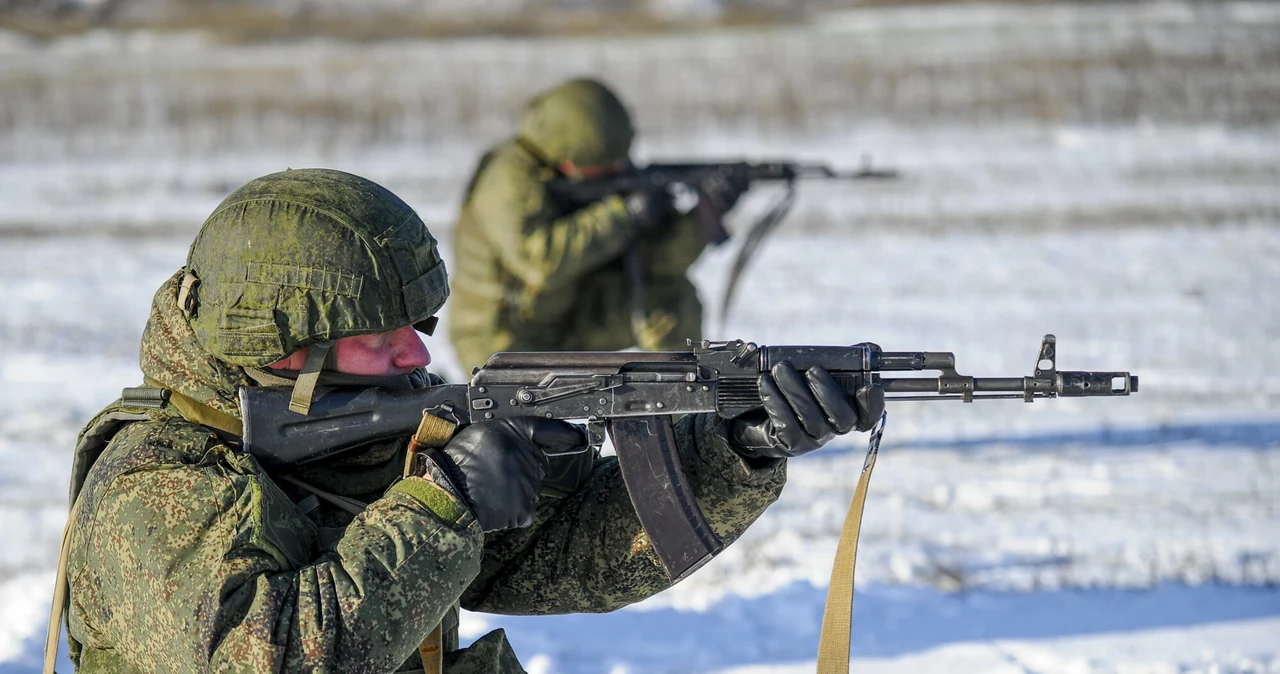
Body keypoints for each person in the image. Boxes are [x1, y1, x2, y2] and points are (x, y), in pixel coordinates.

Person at [58, 168, 882, 673]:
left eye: (416, 329)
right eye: (376, 338)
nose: (415, 359)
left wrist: (738, 445)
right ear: (280, 350)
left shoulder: (362, 431)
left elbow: (569, 559)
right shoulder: (153, 483)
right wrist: (443, 505)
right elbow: (274, 658)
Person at [448, 77, 748, 373]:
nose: (617, 170)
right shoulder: (508, 178)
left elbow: (658, 263)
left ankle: (684, 411)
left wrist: (704, 216)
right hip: (504, 339)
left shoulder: (600, 176)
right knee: (530, 423)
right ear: (569, 158)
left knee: (671, 299)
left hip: (573, 317)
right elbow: (539, 262)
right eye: (603, 166)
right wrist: (621, 214)